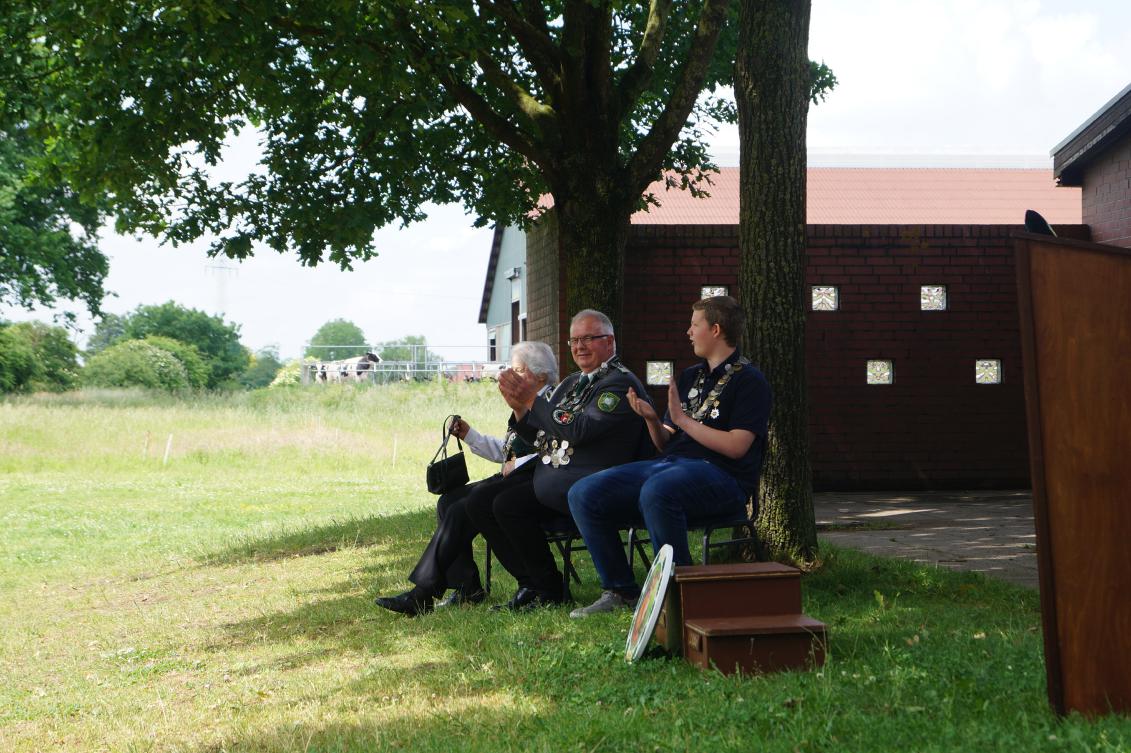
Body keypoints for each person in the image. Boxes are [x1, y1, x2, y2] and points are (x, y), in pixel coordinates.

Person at [566, 296, 772, 617]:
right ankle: (620, 590)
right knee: (584, 492)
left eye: (694, 325)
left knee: (659, 490)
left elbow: (737, 446)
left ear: (715, 330)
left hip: (723, 477)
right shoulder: (690, 376)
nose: (688, 332)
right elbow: (665, 441)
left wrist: (684, 421)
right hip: (670, 466)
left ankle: (678, 596)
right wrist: (651, 419)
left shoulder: (750, 380)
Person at [465, 309, 654, 611]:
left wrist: (532, 400)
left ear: (610, 342)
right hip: (557, 478)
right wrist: (521, 409)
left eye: (588, 338)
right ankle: (535, 586)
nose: (580, 346)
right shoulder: (572, 383)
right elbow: (540, 435)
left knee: (507, 504)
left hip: (598, 483)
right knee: (484, 501)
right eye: (574, 340)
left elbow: (578, 429)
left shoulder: (618, 383)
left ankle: (550, 589)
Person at [373, 341, 558, 617]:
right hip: (512, 477)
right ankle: (466, 586)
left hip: (532, 484)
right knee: (449, 501)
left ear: (541, 376)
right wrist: (470, 435)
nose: (510, 376)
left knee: (465, 507)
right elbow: (508, 451)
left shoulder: (552, 402)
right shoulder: (525, 402)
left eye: (518, 370)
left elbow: (550, 451)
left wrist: (515, 462)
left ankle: (422, 594)